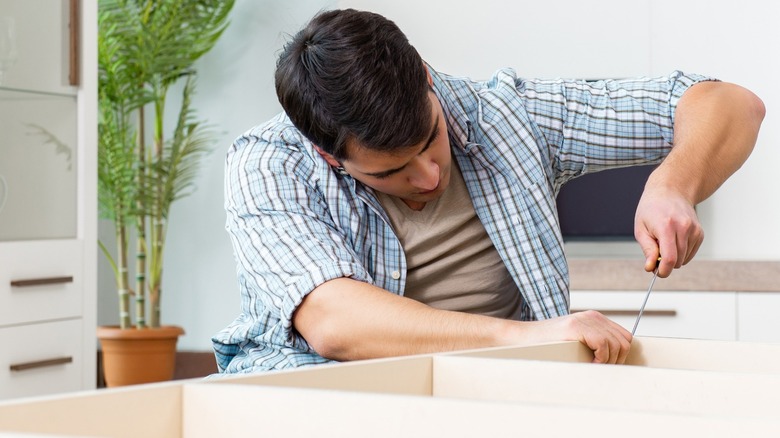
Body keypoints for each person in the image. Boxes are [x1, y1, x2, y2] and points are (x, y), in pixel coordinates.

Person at [212, 8, 764, 374]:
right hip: (318, 387)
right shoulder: (269, 164)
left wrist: (674, 183)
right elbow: (336, 324)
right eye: (392, 172)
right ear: (329, 156)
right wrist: (532, 338)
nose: (429, 176)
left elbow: (732, 104)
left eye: (431, 138)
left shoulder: (508, 115)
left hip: (492, 389)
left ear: (427, 78)